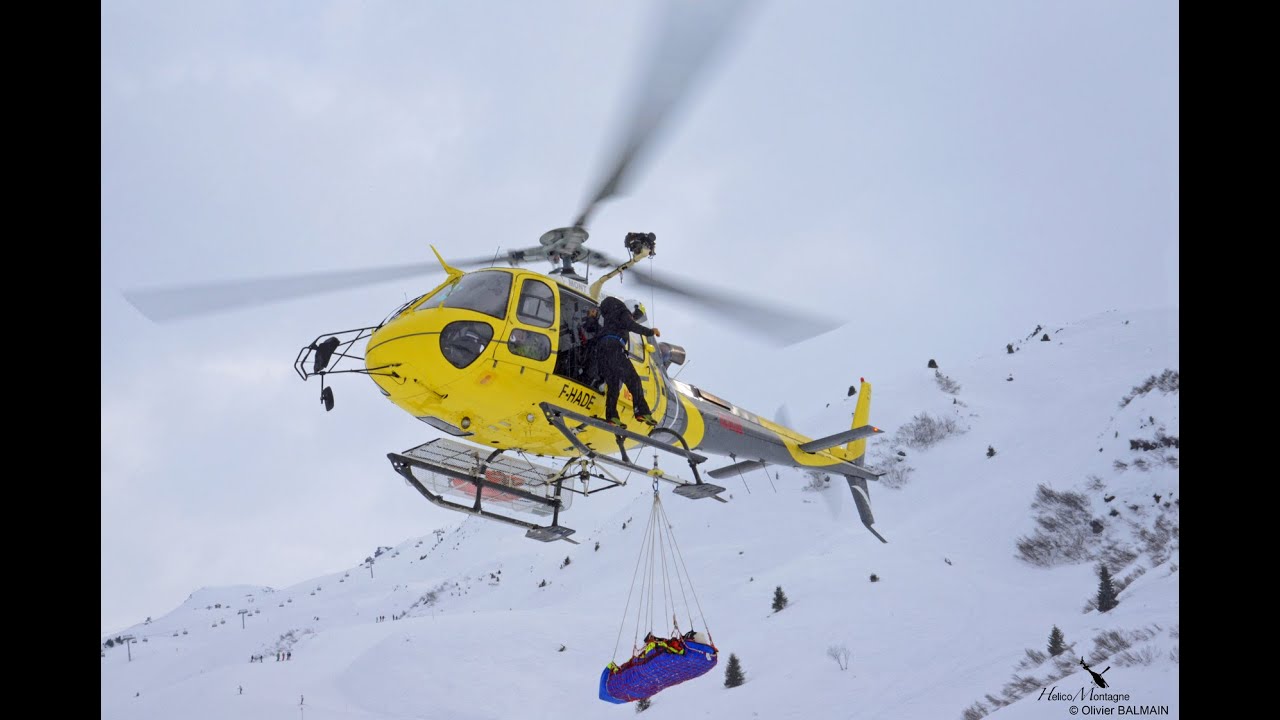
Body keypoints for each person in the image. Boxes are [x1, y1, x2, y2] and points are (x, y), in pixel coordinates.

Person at [588, 296, 660, 426]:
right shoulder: (623, 311)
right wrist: (650, 332)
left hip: (601, 351)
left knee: (614, 385)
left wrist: (591, 318)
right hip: (614, 348)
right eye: (636, 315)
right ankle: (642, 411)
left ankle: (612, 417)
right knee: (633, 380)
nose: (634, 317)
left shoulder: (607, 318)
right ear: (632, 308)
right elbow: (631, 325)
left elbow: (592, 329)